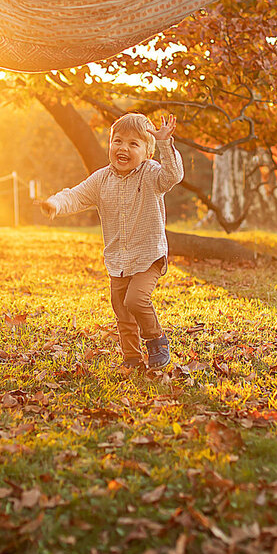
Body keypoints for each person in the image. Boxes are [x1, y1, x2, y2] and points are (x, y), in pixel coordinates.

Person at [39, 114, 183, 370]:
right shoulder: (101, 179)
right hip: (118, 260)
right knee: (123, 313)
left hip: (148, 255)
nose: (123, 148)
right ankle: (132, 359)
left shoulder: (151, 174)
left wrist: (164, 144)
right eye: (118, 141)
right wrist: (55, 203)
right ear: (110, 144)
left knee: (136, 300)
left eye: (133, 144)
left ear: (147, 152)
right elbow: (76, 195)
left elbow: (173, 176)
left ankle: (156, 339)